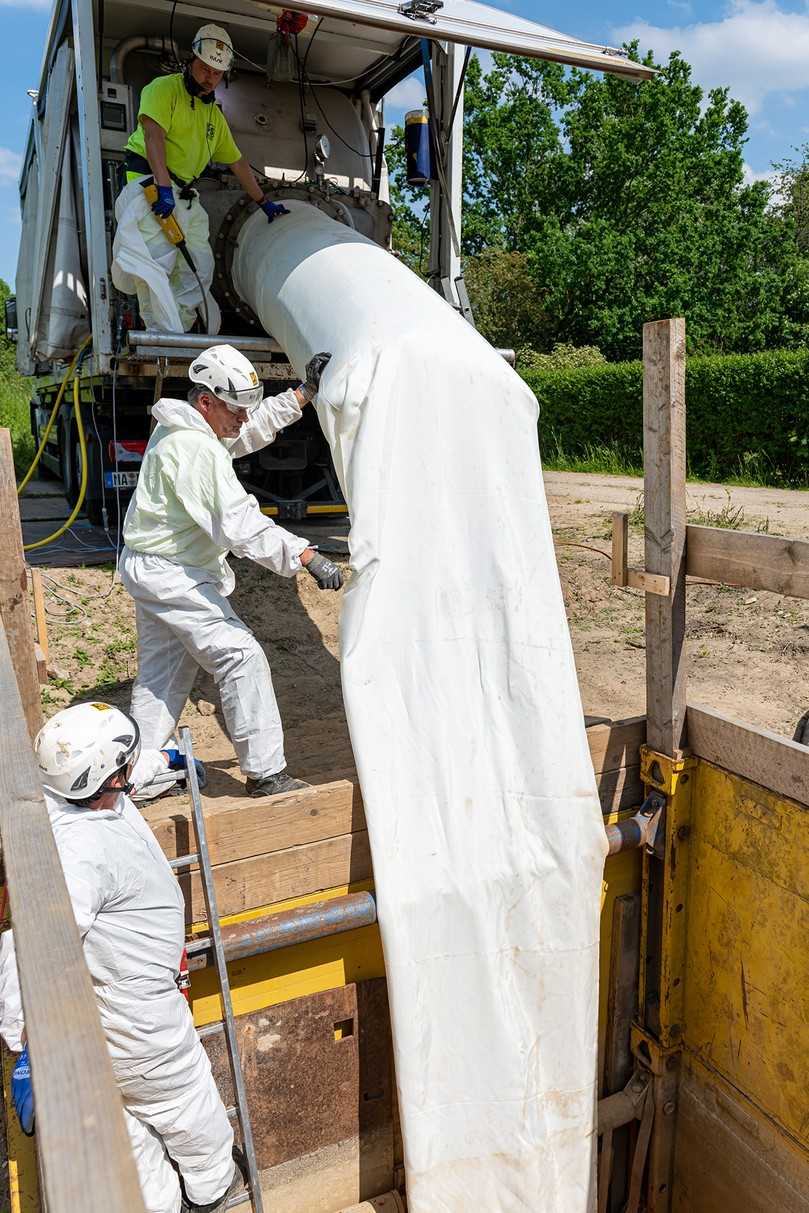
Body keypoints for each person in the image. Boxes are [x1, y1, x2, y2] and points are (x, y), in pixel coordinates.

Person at [0, 703, 240, 1213]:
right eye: (125, 769)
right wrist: (22, 1043)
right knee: (195, 1123)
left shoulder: (74, 798)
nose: (131, 774)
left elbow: (128, 772)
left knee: (133, 1143)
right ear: (109, 776)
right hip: (142, 1026)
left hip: (106, 1021)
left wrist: (169, 761)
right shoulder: (81, 855)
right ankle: (212, 1194)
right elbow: (28, 941)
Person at [119, 343, 343, 800]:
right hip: (173, 574)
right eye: (235, 410)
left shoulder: (190, 430)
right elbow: (239, 524)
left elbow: (248, 430)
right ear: (206, 401)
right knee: (240, 655)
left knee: (162, 681)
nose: (242, 420)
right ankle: (266, 774)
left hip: (156, 569)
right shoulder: (192, 448)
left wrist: (302, 395)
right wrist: (305, 556)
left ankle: (132, 775)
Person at [111, 23, 289, 334]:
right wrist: (163, 189)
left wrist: (263, 203)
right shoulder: (163, 89)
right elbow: (154, 138)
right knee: (154, 263)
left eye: (217, 73)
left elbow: (238, 162)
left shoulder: (214, 118)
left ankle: (177, 330)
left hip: (179, 193)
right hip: (149, 184)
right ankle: (157, 333)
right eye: (205, 69)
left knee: (200, 265)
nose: (209, 77)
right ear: (191, 61)